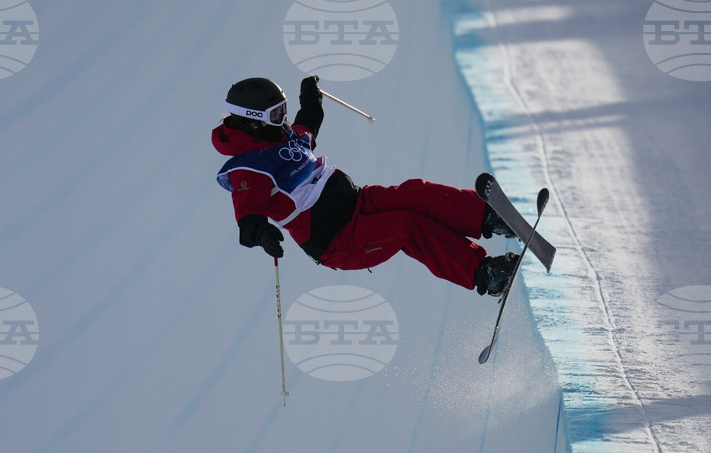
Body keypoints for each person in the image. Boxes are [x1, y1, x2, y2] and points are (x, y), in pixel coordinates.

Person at [212, 76, 519, 296]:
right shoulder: (248, 169)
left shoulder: (282, 135)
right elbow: (247, 220)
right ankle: (484, 273)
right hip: (337, 239)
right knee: (405, 225)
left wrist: (310, 98)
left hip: (356, 202)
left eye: (284, 109)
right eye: (276, 113)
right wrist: (262, 234)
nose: (284, 118)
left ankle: (488, 217)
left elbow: (309, 123)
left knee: (413, 193)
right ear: (254, 119)